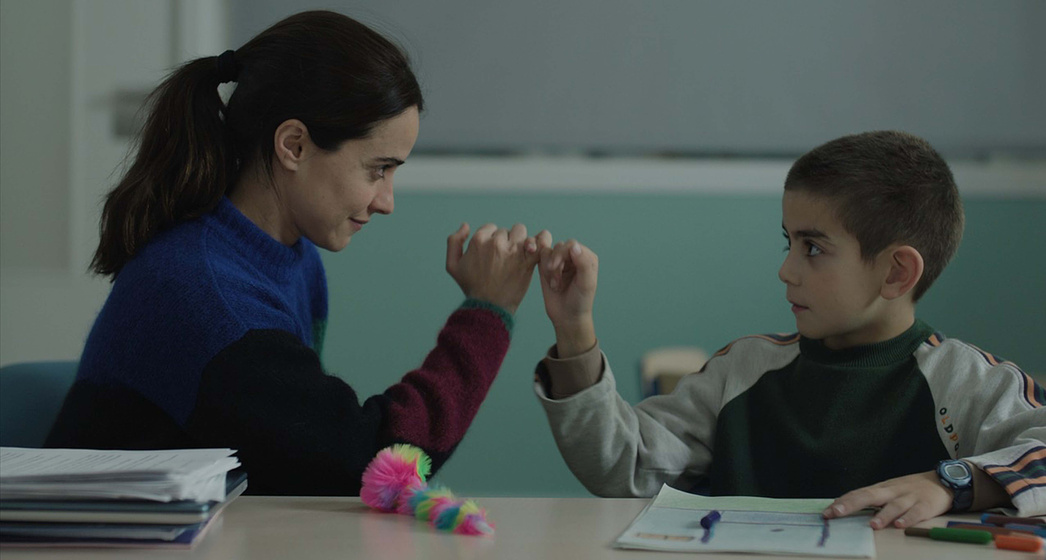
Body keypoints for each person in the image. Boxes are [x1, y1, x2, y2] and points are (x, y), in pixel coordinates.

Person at [45, 10, 549, 496]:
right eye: (378, 169)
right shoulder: (210, 299)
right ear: (294, 145)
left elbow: (290, 458)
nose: (387, 201)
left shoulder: (286, 255)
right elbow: (370, 461)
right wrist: (489, 311)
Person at [532, 131, 1045, 526]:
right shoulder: (744, 370)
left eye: (813, 248)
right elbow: (622, 466)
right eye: (789, 244)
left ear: (895, 273)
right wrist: (575, 328)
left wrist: (953, 483)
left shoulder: (966, 381)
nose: (786, 270)